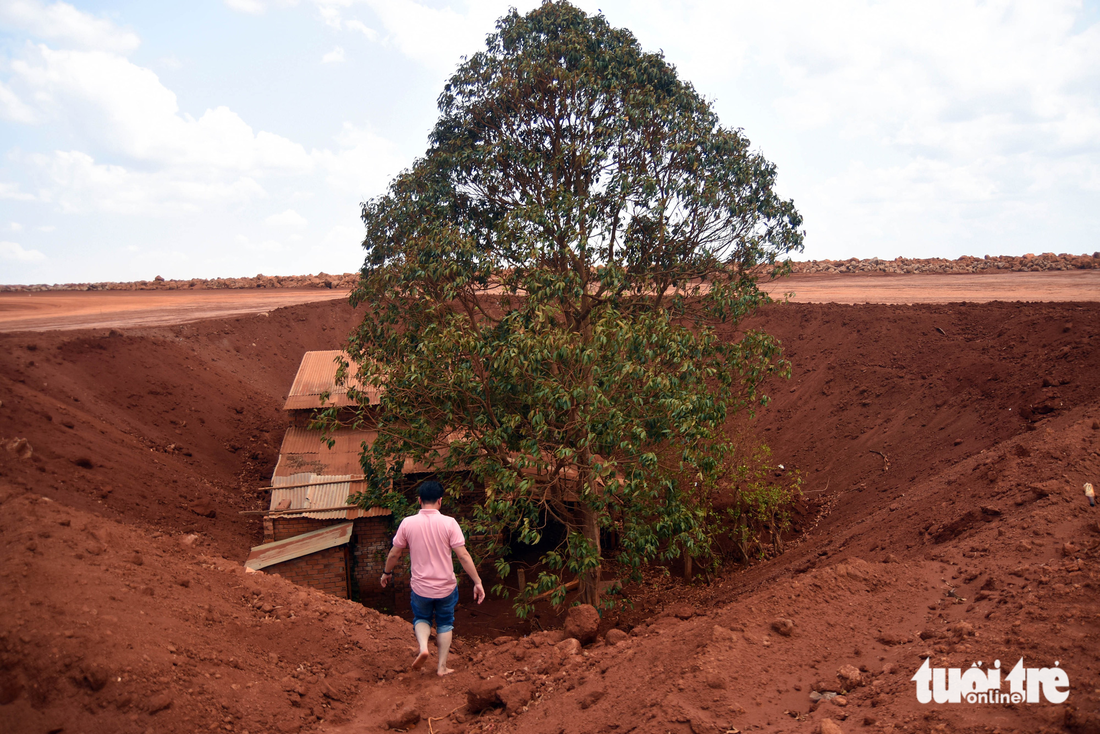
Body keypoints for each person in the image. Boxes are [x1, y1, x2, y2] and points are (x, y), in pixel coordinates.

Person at [380, 479, 485, 676]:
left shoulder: (407, 523)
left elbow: (394, 554)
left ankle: (423, 648)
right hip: (446, 587)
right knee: (445, 623)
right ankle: (442, 667)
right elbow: (463, 555)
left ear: (419, 500)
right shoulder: (449, 523)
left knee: (421, 618)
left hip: (421, 588)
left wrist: (386, 573)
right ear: (440, 501)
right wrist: (477, 582)